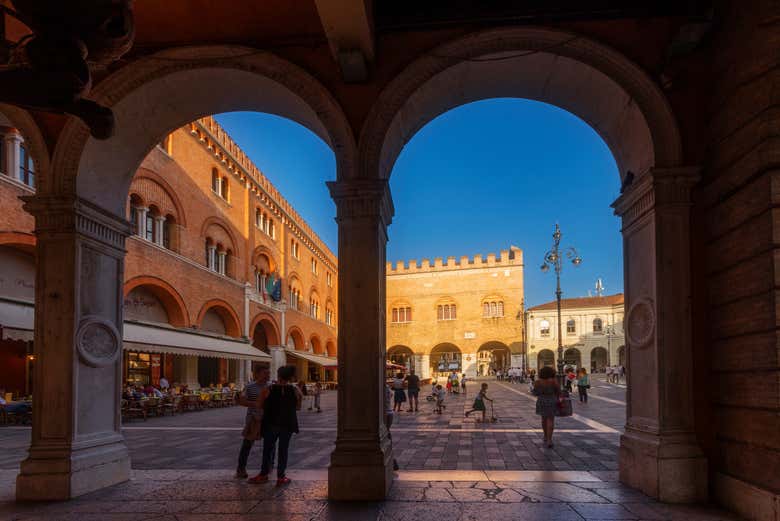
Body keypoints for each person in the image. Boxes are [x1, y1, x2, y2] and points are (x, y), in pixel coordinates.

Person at [249, 365, 302, 486]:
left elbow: (259, 404)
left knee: (267, 449)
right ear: (291, 377)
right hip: (287, 424)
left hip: (270, 423)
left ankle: (263, 474)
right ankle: (281, 477)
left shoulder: (268, 389)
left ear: (278, 375)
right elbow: (298, 407)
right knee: (283, 450)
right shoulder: (295, 390)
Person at [235, 365, 270, 479]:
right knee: (247, 444)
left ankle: (268, 467)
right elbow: (241, 401)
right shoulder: (250, 387)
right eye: (265, 373)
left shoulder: (271, 387)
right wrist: (254, 404)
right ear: (258, 374)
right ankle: (241, 468)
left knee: (270, 444)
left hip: (267, 419)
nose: (267, 376)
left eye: (268, 373)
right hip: (253, 419)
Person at [532, 366, 560, 448]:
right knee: (550, 420)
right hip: (552, 400)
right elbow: (559, 392)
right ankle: (549, 439)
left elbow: (535, 393)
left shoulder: (538, 382)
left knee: (543, 419)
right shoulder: (554, 381)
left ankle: (545, 435)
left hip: (541, 401)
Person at [384, 383, 399, 470]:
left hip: (384, 414)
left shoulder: (380, 387)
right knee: (387, 435)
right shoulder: (387, 387)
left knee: (385, 436)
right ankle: (392, 461)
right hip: (389, 413)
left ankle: (392, 461)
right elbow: (391, 394)